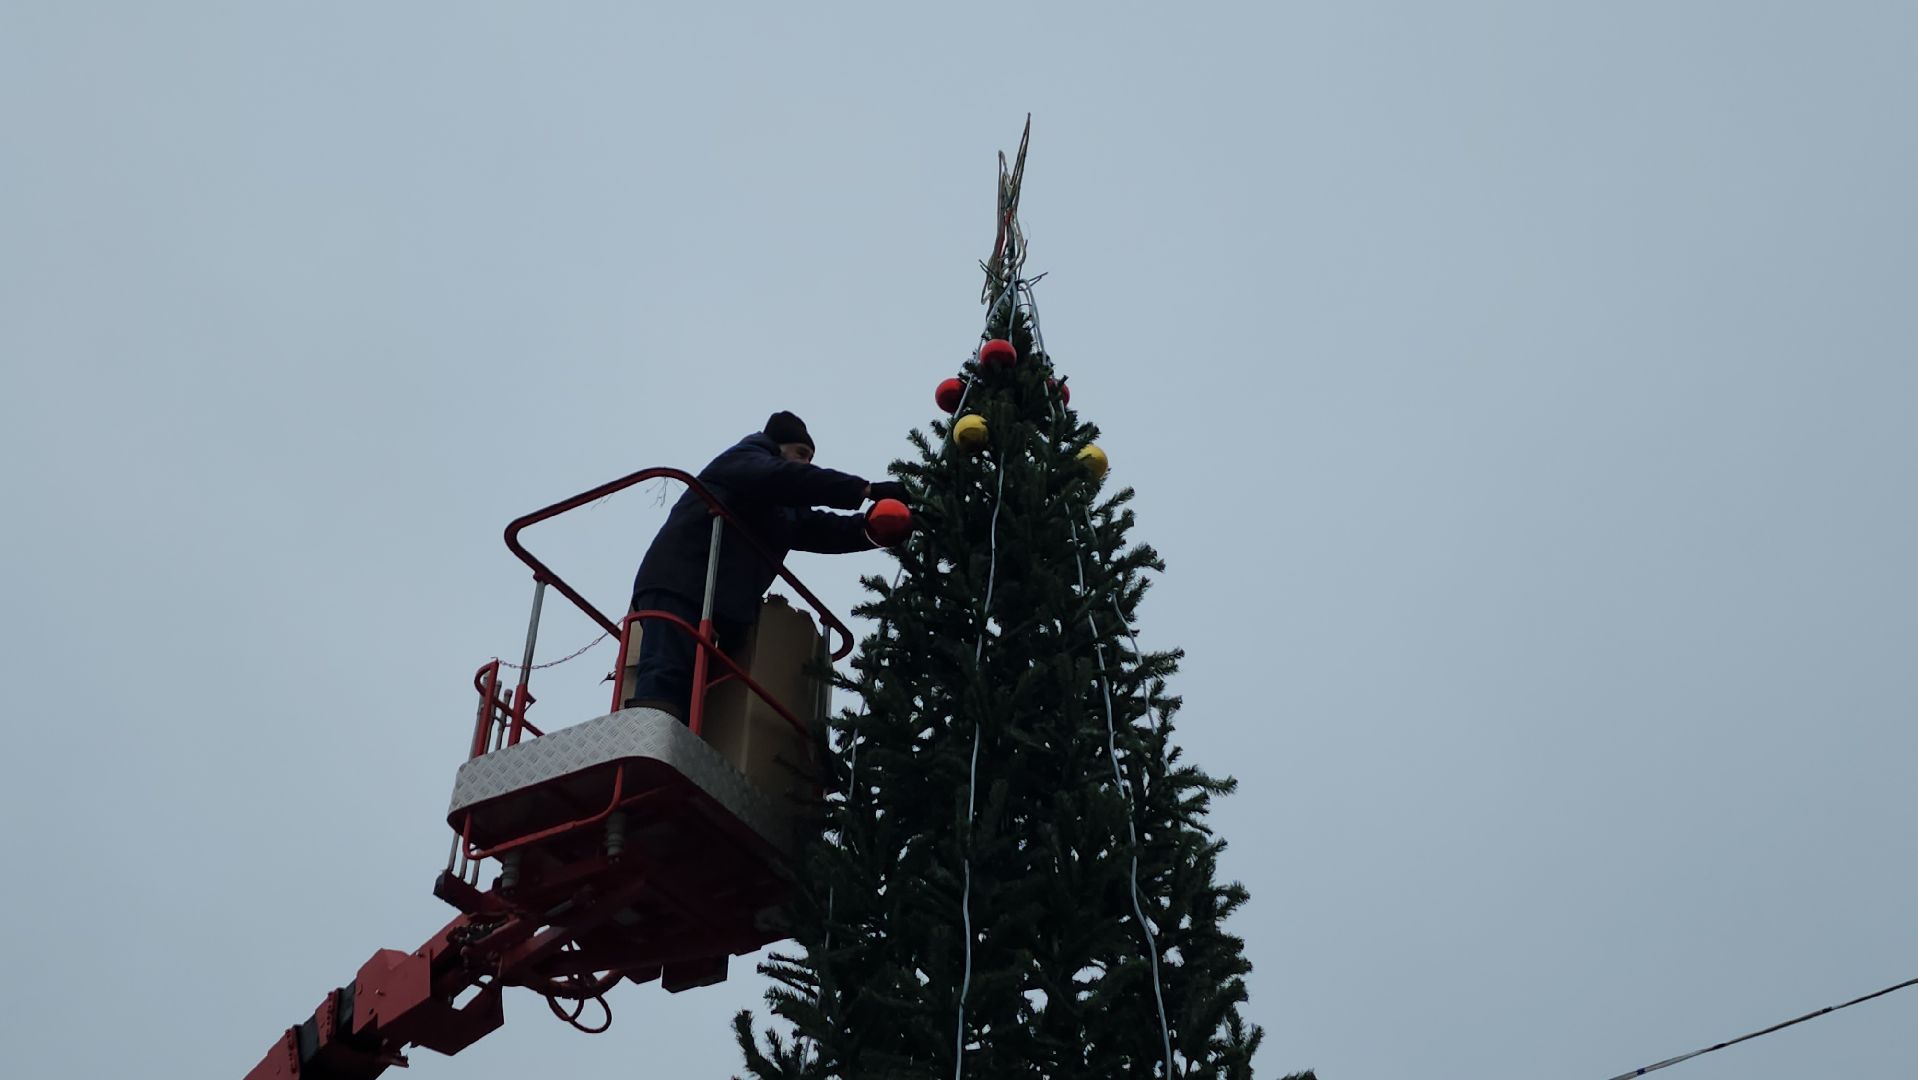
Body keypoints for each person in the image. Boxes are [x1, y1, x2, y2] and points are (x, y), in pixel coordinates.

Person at [625, 411, 906, 720]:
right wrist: (864, 490)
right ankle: (647, 741)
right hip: (680, 581)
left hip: (717, 601)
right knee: (666, 670)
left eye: (810, 458)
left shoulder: (781, 506)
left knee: (693, 689)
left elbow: (819, 528)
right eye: (801, 453)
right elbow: (783, 478)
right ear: (776, 446)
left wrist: (880, 527)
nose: (805, 464)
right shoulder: (744, 459)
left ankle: (666, 738)